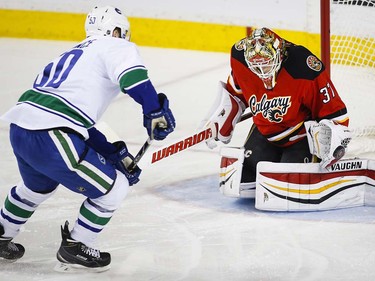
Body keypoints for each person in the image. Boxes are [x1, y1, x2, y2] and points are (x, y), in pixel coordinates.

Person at [0, 5, 175, 271]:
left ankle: (3, 234)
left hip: (22, 129)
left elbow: (76, 118)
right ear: (116, 30)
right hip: (52, 134)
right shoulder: (114, 45)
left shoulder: (74, 54)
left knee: (36, 187)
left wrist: (113, 152)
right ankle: (77, 245)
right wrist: (154, 110)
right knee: (114, 189)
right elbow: (134, 78)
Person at [205, 27, 351, 198]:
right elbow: (236, 94)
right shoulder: (240, 59)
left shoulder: (303, 67)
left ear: (280, 55)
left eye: (267, 63)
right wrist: (222, 117)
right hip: (265, 132)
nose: (262, 71)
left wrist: (330, 140)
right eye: (256, 65)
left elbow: (335, 112)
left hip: (301, 137)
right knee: (243, 180)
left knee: (286, 184)